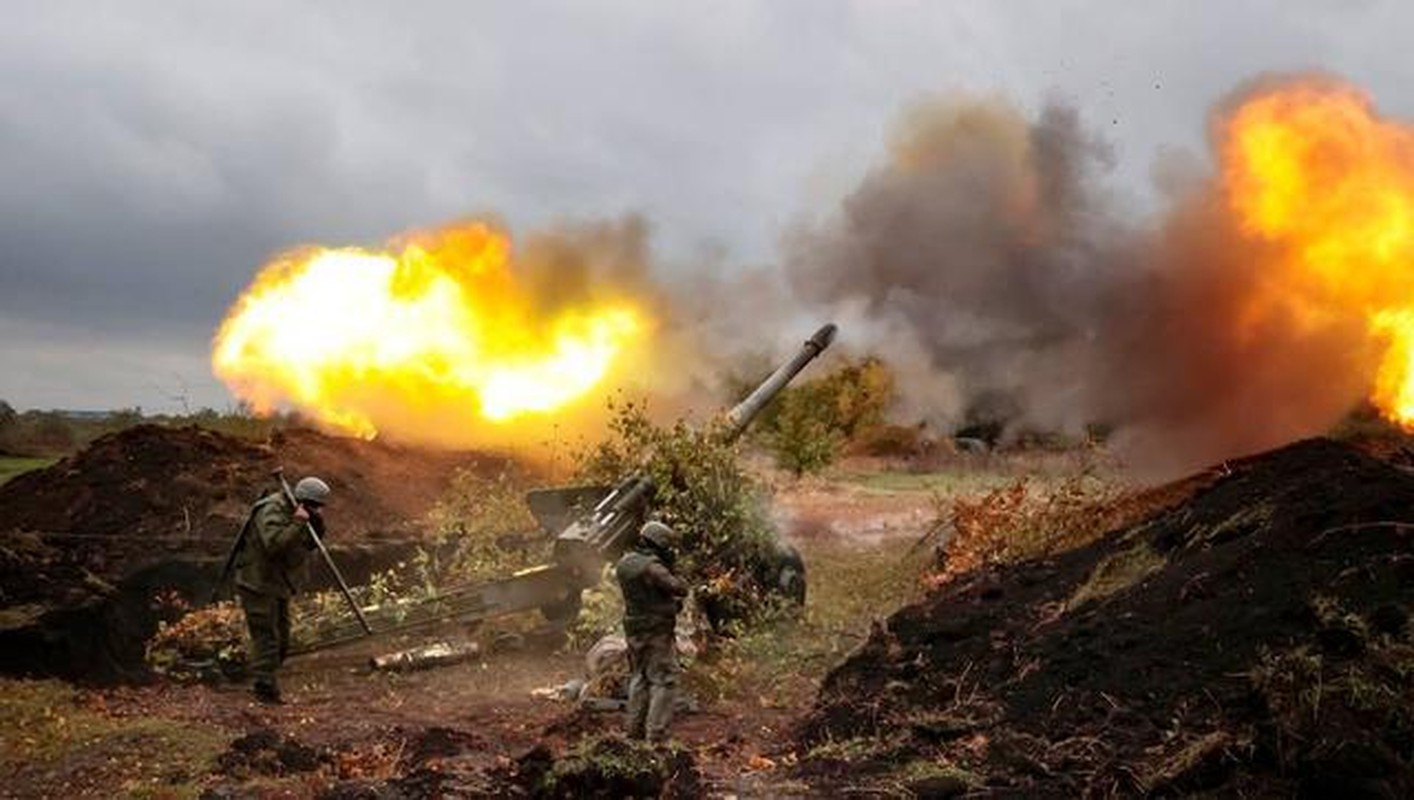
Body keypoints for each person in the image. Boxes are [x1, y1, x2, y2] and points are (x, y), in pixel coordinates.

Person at [233, 476, 330, 704]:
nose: (317, 509)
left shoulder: (300, 511)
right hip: (256, 582)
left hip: (277, 582)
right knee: (267, 638)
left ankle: (265, 677)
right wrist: (297, 522)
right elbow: (274, 544)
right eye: (314, 505)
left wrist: (315, 522)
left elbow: (308, 543)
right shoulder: (272, 509)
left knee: (283, 639)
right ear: (302, 500)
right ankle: (265, 689)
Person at [614, 521, 688, 743]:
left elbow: (648, 594)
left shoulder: (625, 562)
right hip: (655, 631)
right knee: (665, 680)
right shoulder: (653, 567)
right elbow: (679, 588)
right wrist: (677, 571)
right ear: (660, 544)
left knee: (640, 678)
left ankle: (633, 732)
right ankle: (657, 736)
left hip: (634, 629)